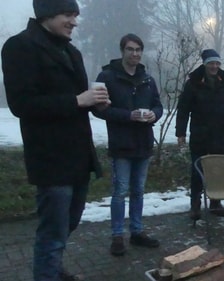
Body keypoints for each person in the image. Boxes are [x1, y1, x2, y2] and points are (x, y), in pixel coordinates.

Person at [1, 0, 109, 280]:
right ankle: (48, 272)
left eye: (75, 15)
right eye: (68, 14)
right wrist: (76, 100)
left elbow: (78, 102)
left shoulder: (71, 51)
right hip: (51, 158)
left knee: (68, 224)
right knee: (52, 233)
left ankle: (53, 268)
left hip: (79, 156)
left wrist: (97, 103)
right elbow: (21, 104)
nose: (74, 22)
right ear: (47, 14)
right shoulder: (19, 47)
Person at [93, 33, 163, 256]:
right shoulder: (107, 77)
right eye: (131, 49)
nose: (135, 53)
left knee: (139, 191)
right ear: (122, 51)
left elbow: (158, 106)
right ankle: (117, 236)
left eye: (138, 50)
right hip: (121, 144)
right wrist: (128, 116)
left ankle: (136, 232)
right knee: (120, 191)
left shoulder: (148, 79)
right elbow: (98, 108)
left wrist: (154, 114)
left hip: (143, 143)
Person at [175, 49, 224, 221]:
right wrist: (180, 133)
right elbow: (183, 109)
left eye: (217, 63)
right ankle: (195, 205)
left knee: (218, 169)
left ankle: (215, 203)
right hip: (199, 135)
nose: (214, 66)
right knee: (198, 171)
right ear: (205, 64)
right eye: (211, 63)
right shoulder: (193, 83)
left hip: (220, 134)